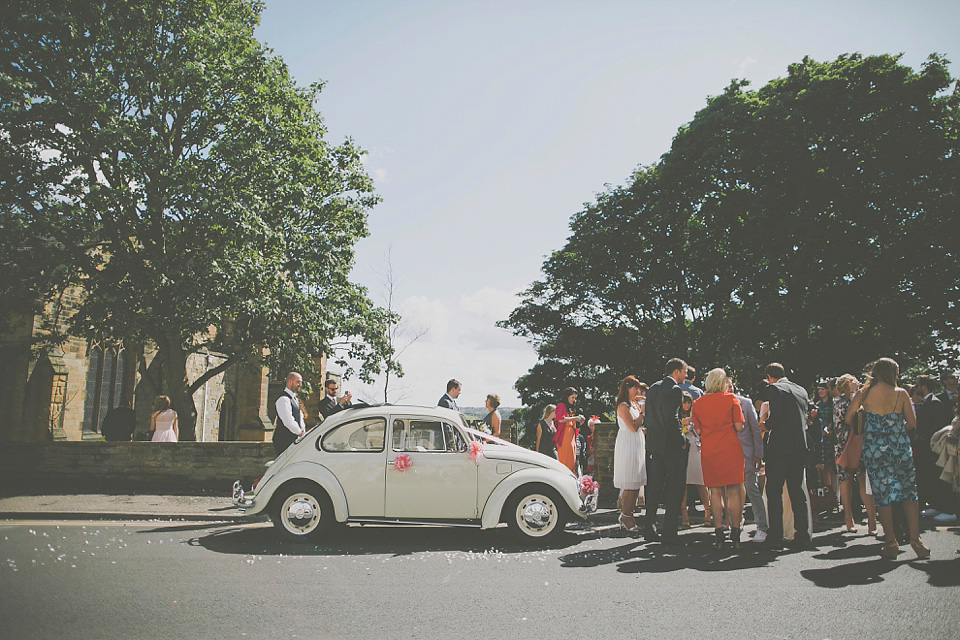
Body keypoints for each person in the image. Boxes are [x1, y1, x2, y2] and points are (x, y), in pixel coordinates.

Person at [846, 358, 929, 559]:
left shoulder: (863, 393)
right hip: (899, 448)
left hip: (874, 450)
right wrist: (895, 429)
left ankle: (891, 540)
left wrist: (870, 425)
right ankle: (915, 539)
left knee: (883, 496)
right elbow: (912, 422)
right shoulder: (901, 393)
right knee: (909, 494)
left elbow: (849, 419)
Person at [693, 368, 746, 549]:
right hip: (730, 448)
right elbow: (739, 426)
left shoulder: (698, 403)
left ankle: (718, 533)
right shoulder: (731, 399)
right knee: (734, 491)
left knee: (715, 492)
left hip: (710, 449)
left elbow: (698, 431)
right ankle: (736, 532)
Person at [762, 363, 812, 548]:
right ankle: (802, 534)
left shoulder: (775, 388)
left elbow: (778, 415)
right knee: (797, 490)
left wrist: (766, 425)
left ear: (769, 377)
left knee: (774, 490)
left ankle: (775, 535)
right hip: (799, 445)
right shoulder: (801, 390)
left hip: (780, 447)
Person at [643, 358, 688, 544]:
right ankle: (669, 533)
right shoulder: (675, 390)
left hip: (655, 444)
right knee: (675, 487)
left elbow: (650, 416)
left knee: (655, 487)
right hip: (671, 445)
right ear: (676, 371)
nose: (685, 374)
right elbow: (672, 418)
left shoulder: (653, 388)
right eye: (684, 371)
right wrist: (682, 440)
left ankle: (649, 528)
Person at [834, 374, 877, 534]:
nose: (858, 383)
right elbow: (847, 419)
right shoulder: (839, 402)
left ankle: (872, 520)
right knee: (846, 480)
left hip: (861, 444)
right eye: (854, 382)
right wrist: (853, 395)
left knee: (863, 480)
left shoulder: (863, 399)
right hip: (844, 445)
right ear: (846, 384)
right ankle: (848, 517)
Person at [915, 374, 957, 523]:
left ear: (924, 386)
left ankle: (948, 508)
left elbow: (937, 425)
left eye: (918, 385)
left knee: (940, 477)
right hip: (924, 448)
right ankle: (937, 504)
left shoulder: (935, 402)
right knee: (931, 477)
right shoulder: (925, 402)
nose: (916, 387)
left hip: (932, 447)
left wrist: (921, 436)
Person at [735, 382, 768, 542]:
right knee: (730, 492)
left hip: (746, 454)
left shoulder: (745, 403)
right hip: (728, 455)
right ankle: (734, 524)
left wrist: (758, 454)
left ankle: (762, 526)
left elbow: (756, 429)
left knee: (752, 490)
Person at [614, 376, 647, 532]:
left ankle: (630, 513)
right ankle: (625, 515)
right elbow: (633, 426)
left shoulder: (632, 404)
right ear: (627, 388)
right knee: (629, 482)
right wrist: (642, 413)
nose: (638, 391)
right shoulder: (623, 406)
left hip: (636, 443)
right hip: (628, 444)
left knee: (635, 483)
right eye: (635, 388)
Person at [679, 392, 711, 529]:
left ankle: (707, 512)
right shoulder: (677, 416)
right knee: (683, 484)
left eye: (688, 402)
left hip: (696, 450)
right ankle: (684, 514)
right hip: (683, 450)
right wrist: (683, 425)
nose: (686, 405)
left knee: (701, 482)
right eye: (684, 402)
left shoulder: (696, 415)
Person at [273, 372, 306, 456]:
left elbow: (300, 417)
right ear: (290, 382)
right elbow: (288, 421)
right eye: (298, 382)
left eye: (301, 382)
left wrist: (302, 432)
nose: (300, 384)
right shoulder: (283, 399)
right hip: (284, 440)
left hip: (294, 439)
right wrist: (299, 432)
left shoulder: (294, 399)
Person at [553, 387, 585, 473]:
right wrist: (575, 418)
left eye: (575, 398)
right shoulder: (561, 405)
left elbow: (574, 426)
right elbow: (560, 419)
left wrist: (580, 422)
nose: (574, 400)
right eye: (572, 397)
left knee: (572, 459)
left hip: (572, 436)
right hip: (564, 436)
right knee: (565, 459)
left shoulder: (571, 408)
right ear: (567, 397)